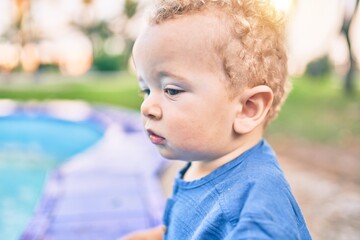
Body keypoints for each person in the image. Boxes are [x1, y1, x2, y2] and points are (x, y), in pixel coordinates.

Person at [123, 0, 312, 239]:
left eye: (171, 90)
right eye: (146, 90)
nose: (147, 107)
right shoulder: (203, 162)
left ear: (247, 109)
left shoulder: (258, 210)